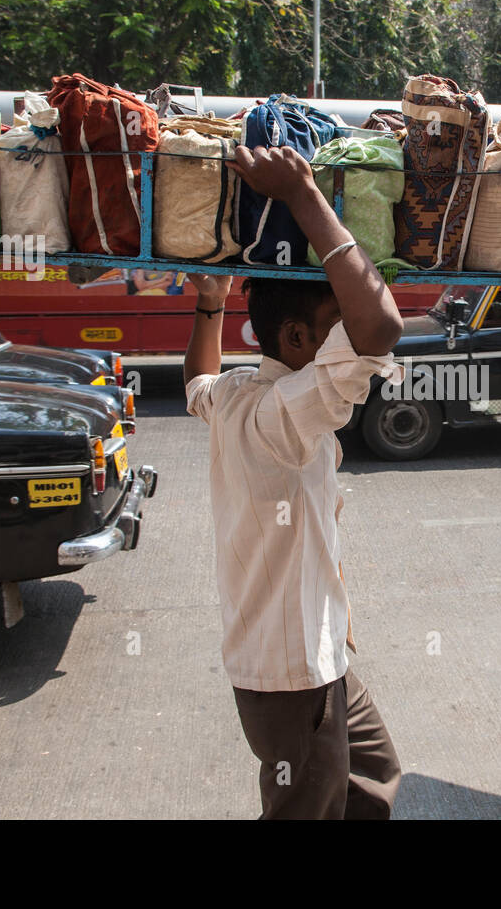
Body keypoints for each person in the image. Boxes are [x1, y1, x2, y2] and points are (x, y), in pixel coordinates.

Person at [183, 145, 406, 818]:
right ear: (296, 338)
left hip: (315, 659)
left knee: (373, 774)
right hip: (293, 678)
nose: (345, 341)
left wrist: (209, 304)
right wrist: (304, 195)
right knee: (308, 810)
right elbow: (381, 330)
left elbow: (194, 379)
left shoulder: (236, 395)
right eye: (330, 329)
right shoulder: (280, 415)